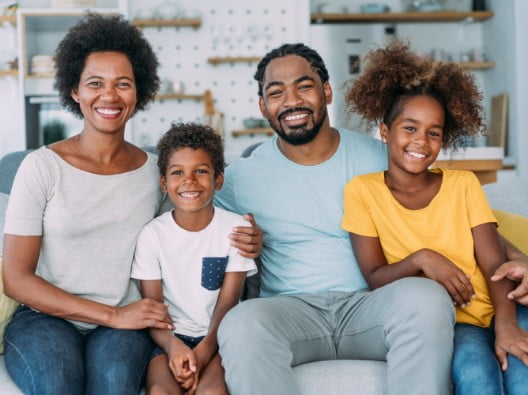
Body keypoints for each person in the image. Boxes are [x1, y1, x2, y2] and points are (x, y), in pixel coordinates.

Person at [1, 14, 261, 394]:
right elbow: (16, 278)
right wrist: (113, 314)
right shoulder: (41, 167)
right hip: (47, 318)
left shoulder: (154, 171)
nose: (109, 96)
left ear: (138, 93)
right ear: (75, 91)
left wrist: (246, 235)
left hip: (126, 320)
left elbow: (191, 227)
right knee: (57, 384)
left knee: (115, 385)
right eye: (95, 84)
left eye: (123, 84)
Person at [215, 42, 456, 395]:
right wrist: (237, 239)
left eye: (304, 86)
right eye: (276, 92)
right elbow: (192, 220)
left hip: (372, 306)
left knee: (426, 299)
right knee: (240, 324)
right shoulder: (241, 177)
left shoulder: (380, 157)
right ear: (263, 106)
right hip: (290, 312)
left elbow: (453, 207)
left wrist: (514, 257)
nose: (292, 101)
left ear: (326, 92)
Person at [342, 42, 528, 395]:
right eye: (409, 128)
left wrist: (506, 325)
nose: (421, 142)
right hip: (456, 324)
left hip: (508, 308)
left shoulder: (462, 184)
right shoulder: (362, 192)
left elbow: (495, 262)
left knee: (522, 376)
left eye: (433, 132)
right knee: (477, 380)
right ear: (385, 132)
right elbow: (375, 278)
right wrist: (422, 259)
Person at [132, 123, 257, 395]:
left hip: (218, 338)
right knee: (159, 392)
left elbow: (227, 304)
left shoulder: (237, 229)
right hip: (167, 340)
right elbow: (153, 309)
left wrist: (202, 353)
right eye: (178, 173)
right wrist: (174, 347)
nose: (189, 181)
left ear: (218, 180)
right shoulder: (152, 235)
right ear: (164, 184)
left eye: (201, 171)